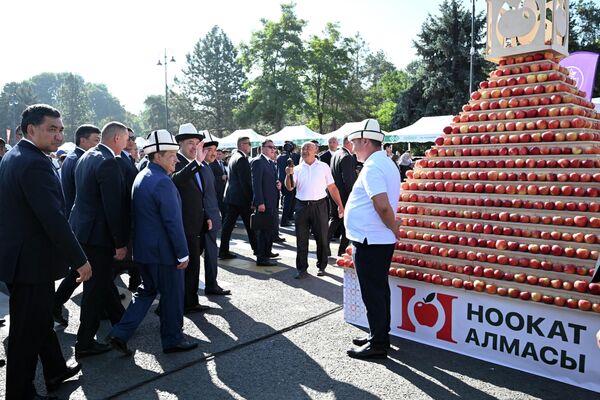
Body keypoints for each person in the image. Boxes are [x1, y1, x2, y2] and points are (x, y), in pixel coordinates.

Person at [0, 104, 92, 399]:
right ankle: (19, 392)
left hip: (21, 258)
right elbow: (52, 217)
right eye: (52, 129)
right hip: (30, 263)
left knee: (37, 320)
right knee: (26, 334)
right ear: (31, 130)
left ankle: (54, 369)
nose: (58, 135)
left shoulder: (16, 155)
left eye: (61, 129)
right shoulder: (34, 162)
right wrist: (80, 260)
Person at [108, 130, 198, 355]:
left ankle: (120, 333)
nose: (176, 160)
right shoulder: (162, 182)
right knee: (173, 296)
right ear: (157, 156)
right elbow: (172, 222)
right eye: (171, 155)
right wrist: (182, 253)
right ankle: (172, 339)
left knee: (146, 292)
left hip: (144, 251)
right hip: (164, 253)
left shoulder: (143, 175)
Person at [69, 121, 129, 358]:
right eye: (125, 139)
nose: (127, 143)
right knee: (95, 287)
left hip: (83, 231)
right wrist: (120, 242)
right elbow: (112, 208)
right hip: (99, 236)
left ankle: (121, 327)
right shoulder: (108, 163)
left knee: (101, 284)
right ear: (116, 139)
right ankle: (85, 342)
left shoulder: (86, 157)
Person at [344, 119, 401, 360]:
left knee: (373, 293)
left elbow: (382, 205)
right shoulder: (382, 163)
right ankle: (378, 334)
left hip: (371, 241)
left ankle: (378, 342)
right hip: (375, 239)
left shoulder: (373, 167)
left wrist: (394, 229)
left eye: (355, 142)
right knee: (378, 291)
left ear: (366, 141)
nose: (353, 147)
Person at [53, 124, 102, 326]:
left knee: (83, 270)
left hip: (77, 222)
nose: (98, 144)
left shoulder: (75, 158)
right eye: (95, 140)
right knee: (81, 269)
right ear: (83, 140)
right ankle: (54, 303)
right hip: (81, 223)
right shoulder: (79, 159)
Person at [285, 142, 344, 279]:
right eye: (303, 149)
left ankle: (322, 266)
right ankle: (301, 268)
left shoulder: (323, 167)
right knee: (301, 239)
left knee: (322, 238)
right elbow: (289, 187)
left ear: (316, 150)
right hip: (302, 206)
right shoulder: (297, 168)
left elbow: (332, 187)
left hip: (320, 205)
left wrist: (340, 205)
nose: (305, 151)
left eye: (308, 148)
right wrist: (289, 175)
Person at [171, 123, 211, 313]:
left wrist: (206, 216)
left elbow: (200, 194)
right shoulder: (176, 161)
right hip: (183, 225)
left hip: (196, 223)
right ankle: (182, 303)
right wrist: (196, 163)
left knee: (194, 265)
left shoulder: (195, 162)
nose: (194, 146)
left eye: (197, 142)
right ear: (180, 144)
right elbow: (176, 180)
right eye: (189, 142)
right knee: (187, 266)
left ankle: (191, 301)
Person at [199, 133, 231, 295]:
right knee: (209, 255)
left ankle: (212, 284)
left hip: (211, 218)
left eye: (215, 150)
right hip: (206, 221)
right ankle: (211, 285)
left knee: (211, 254)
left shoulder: (206, 167)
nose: (213, 153)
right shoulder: (201, 168)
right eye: (209, 149)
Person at [219, 136, 257, 259]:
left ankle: (223, 251)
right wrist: (251, 199)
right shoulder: (241, 159)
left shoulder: (234, 157)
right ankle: (257, 250)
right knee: (250, 225)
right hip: (240, 199)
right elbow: (245, 182)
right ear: (242, 145)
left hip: (232, 197)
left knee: (228, 226)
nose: (250, 146)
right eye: (248, 143)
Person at [114, 128, 142, 292]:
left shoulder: (127, 159)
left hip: (131, 217)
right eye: (128, 138)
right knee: (120, 262)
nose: (132, 141)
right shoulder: (118, 160)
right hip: (125, 217)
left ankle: (135, 282)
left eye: (133, 137)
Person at [251, 140, 280, 266]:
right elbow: (256, 184)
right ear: (262, 148)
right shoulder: (258, 162)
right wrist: (260, 202)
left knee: (270, 229)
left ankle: (267, 252)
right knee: (263, 231)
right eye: (270, 147)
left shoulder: (270, 162)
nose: (273, 149)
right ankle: (262, 257)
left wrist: (277, 183)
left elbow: (269, 180)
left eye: (274, 147)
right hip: (264, 203)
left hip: (272, 201)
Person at [329, 136, 357, 257]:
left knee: (334, 219)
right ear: (349, 143)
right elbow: (348, 180)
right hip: (344, 195)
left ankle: (324, 246)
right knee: (346, 222)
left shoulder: (336, 154)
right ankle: (342, 250)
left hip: (334, 193)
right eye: (354, 143)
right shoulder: (346, 156)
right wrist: (353, 194)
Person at [277, 141, 299, 226]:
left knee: (288, 200)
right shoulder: (295, 157)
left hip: (281, 181)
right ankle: (284, 220)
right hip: (290, 181)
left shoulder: (279, 157)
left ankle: (288, 217)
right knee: (289, 201)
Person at [210, 148, 228, 218]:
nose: (219, 156)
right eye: (217, 154)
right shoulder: (212, 163)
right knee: (219, 206)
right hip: (217, 189)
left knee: (224, 206)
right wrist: (221, 177)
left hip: (223, 188)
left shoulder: (222, 163)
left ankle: (224, 220)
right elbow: (211, 176)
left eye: (220, 154)